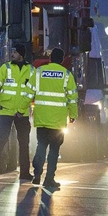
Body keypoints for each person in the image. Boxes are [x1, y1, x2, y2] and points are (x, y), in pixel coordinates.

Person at [26, 47, 78, 189]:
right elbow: (73, 98)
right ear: (61, 60)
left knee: (41, 146)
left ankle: (37, 174)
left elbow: (28, 92)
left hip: (42, 117)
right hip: (58, 121)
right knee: (54, 150)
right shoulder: (67, 75)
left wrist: (21, 109)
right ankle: (49, 179)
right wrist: (73, 115)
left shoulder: (39, 72)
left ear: (50, 58)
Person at [0, 43, 34, 179]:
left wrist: (22, 109)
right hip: (5, 110)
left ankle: (25, 173)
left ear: (21, 54)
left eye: (15, 52)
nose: (12, 54)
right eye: (12, 51)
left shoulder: (31, 70)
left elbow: (32, 91)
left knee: (24, 143)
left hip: (22, 113)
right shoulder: (6, 68)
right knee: (1, 140)